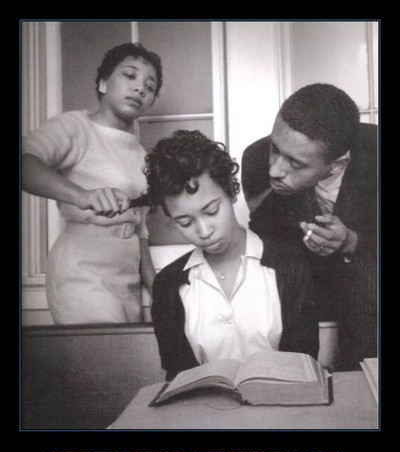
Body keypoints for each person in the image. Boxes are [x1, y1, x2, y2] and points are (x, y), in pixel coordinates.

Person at [144, 129, 319, 381]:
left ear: (231, 192)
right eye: (184, 222)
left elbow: (304, 364)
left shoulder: (291, 266)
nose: (204, 231)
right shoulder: (168, 286)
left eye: (212, 211)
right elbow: (178, 378)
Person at [22, 42, 163, 324]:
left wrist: (156, 290)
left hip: (126, 279)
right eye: (130, 75)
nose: (140, 88)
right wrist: (82, 196)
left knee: (124, 352)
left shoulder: (140, 153)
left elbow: (140, 231)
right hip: (81, 271)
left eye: (150, 86)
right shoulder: (76, 126)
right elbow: (25, 163)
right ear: (102, 83)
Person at [241, 83, 378, 370]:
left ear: (337, 164)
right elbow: (267, 243)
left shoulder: (374, 154)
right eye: (275, 149)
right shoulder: (254, 158)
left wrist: (352, 242)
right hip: (304, 299)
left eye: (295, 163)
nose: (274, 170)